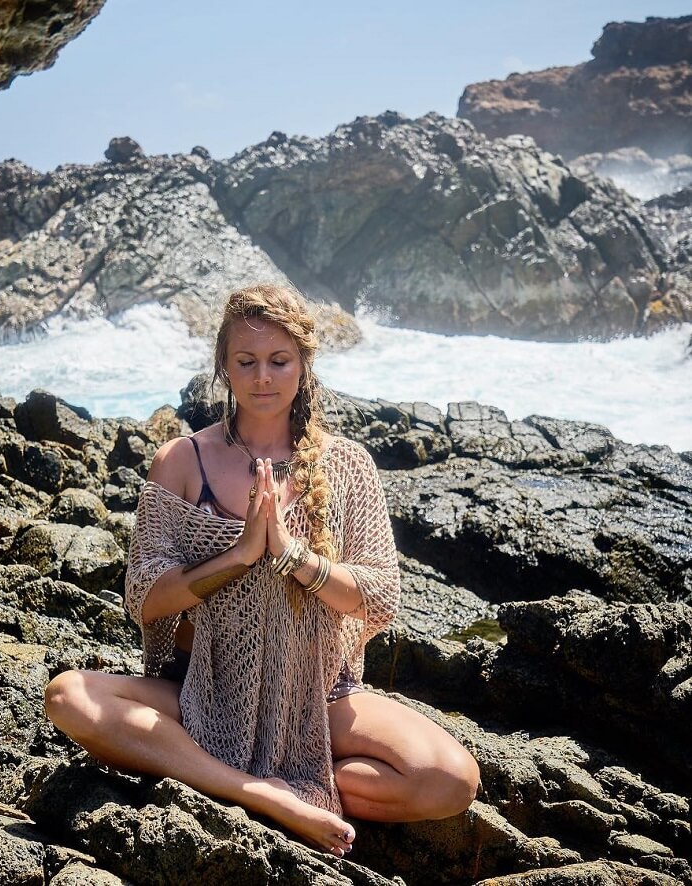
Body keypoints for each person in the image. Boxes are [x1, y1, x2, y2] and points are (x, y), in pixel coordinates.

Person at [45, 283, 479, 856]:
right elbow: (144, 599)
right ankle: (264, 795)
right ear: (223, 365)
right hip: (200, 686)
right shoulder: (181, 461)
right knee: (68, 697)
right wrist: (241, 555)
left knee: (451, 779)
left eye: (279, 361)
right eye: (246, 362)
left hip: (316, 694)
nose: (263, 378)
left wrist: (295, 558)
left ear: (304, 363)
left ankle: (244, 775)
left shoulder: (346, 465)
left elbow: (378, 595)